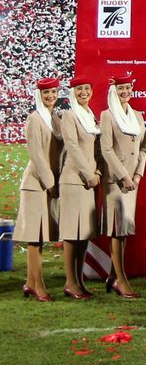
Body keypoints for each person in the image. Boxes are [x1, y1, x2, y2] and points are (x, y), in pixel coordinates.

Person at [14, 77, 62, 301]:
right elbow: (36, 155)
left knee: (40, 236)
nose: (50, 96)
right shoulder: (35, 118)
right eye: (46, 93)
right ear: (39, 95)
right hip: (36, 184)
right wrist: (50, 183)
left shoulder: (54, 118)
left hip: (47, 183)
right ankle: (38, 286)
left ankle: (29, 283)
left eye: (53, 92)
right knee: (34, 238)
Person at [99, 74, 146, 298]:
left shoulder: (137, 116)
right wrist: (124, 176)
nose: (125, 92)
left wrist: (137, 175)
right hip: (116, 183)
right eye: (121, 88)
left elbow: (144, 149)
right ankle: (120, 278)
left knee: (124, 230)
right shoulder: (107, 116)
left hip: (131, 183)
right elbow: (106, 150)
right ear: (114, 91)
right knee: (117, 230)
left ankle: (112, 275)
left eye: (128, 87)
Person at [58, 76, 101, 299]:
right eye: (79, 89)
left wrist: (98, 173)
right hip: (74, 180)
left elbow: (96, 151)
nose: (83, 92)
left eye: (87, 88)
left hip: (89, 181)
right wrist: (89, 174)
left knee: (83, 233)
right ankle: (70, 282)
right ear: (72, 92)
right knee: (71, 234)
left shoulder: (89, 115)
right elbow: (73, 148)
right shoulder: (69, 115)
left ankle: (79, 280)